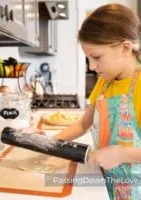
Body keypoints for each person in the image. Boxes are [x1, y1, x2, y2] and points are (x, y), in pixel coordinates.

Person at [53, 3, 141, 200]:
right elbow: (84, 123)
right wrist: (51, 143)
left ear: (125, 48)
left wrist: (121, 154)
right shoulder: (104, 82)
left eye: (97, 57)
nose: (92, 66)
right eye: (88, 59)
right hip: (106, 181)